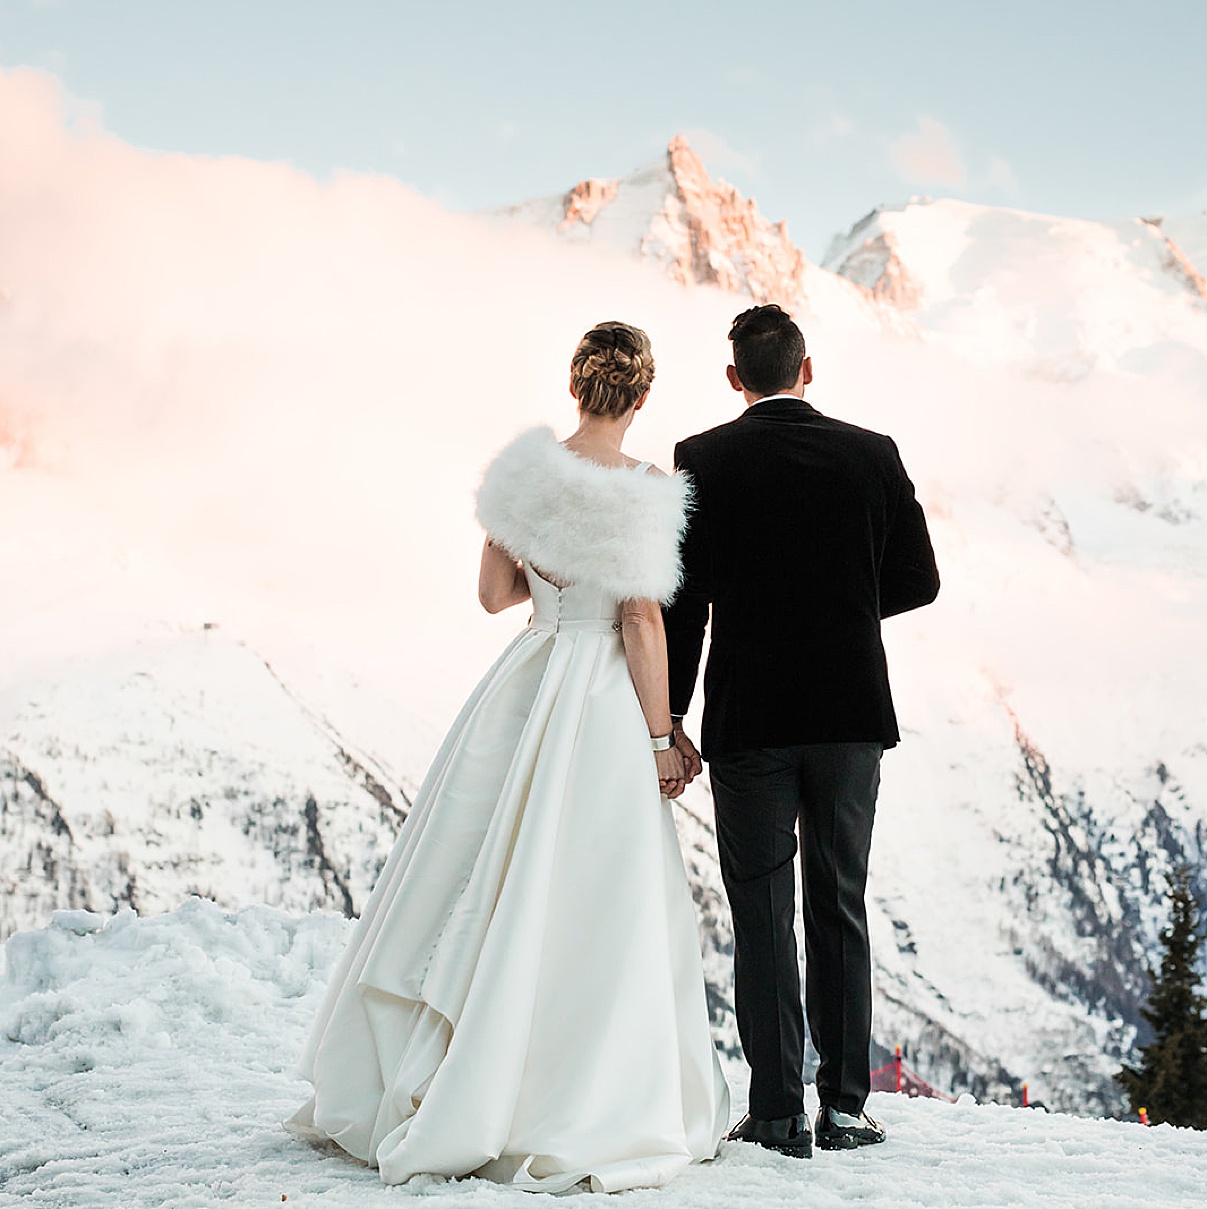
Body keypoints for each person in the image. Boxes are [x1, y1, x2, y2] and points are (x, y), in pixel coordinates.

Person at [286, 320, 729, 1193]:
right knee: (593, 888)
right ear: (640, 397)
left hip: (528, 675)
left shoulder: (523, 474)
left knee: (477, 869)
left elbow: (494, 595)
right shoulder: (647, 489)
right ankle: (572, 1090)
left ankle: (445, 1071)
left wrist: (550, 565)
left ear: (576, 387)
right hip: (601, 692)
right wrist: (659, 736)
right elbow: (640, 621)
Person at [663, 304, 940, 1158]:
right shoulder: (872, 453)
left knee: (761, 909)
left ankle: (778, 1109)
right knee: (838, 905)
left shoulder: (700, 460)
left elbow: (684, 604)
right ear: (806, 369)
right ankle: (847, 1108)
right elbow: (919, 581)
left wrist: (670, 715)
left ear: (733, 377)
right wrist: (845, 606)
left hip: (750, 717)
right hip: (851, 714)